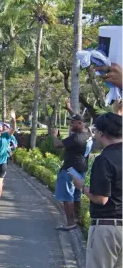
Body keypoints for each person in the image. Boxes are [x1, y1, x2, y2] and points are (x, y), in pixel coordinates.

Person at [70, 112, 122, 268]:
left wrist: (81, 186)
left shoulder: (104, 159)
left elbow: (101, 198)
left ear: (100, 133)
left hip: (107, 229)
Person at [52, 113, 90, 231]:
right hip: (81, 168)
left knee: (67, 196)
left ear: (80, 123)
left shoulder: (76, 137)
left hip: (70, 169)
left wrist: (54, 135)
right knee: (76, 195)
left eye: (72, 123)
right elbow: (81, 119)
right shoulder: (88, 134)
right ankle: (76, 219)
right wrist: (70, 109)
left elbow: (57, 145)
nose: (70, 125)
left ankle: (70, 222)